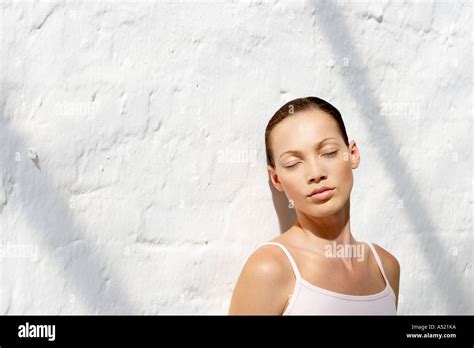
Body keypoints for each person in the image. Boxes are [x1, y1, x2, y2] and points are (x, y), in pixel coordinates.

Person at [228, 97, 400, 315]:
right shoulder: (269, 269)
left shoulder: (385, 268)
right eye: (293, 163)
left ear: (352, 154)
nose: (316, 173)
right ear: (277, 179)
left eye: (328, 152)